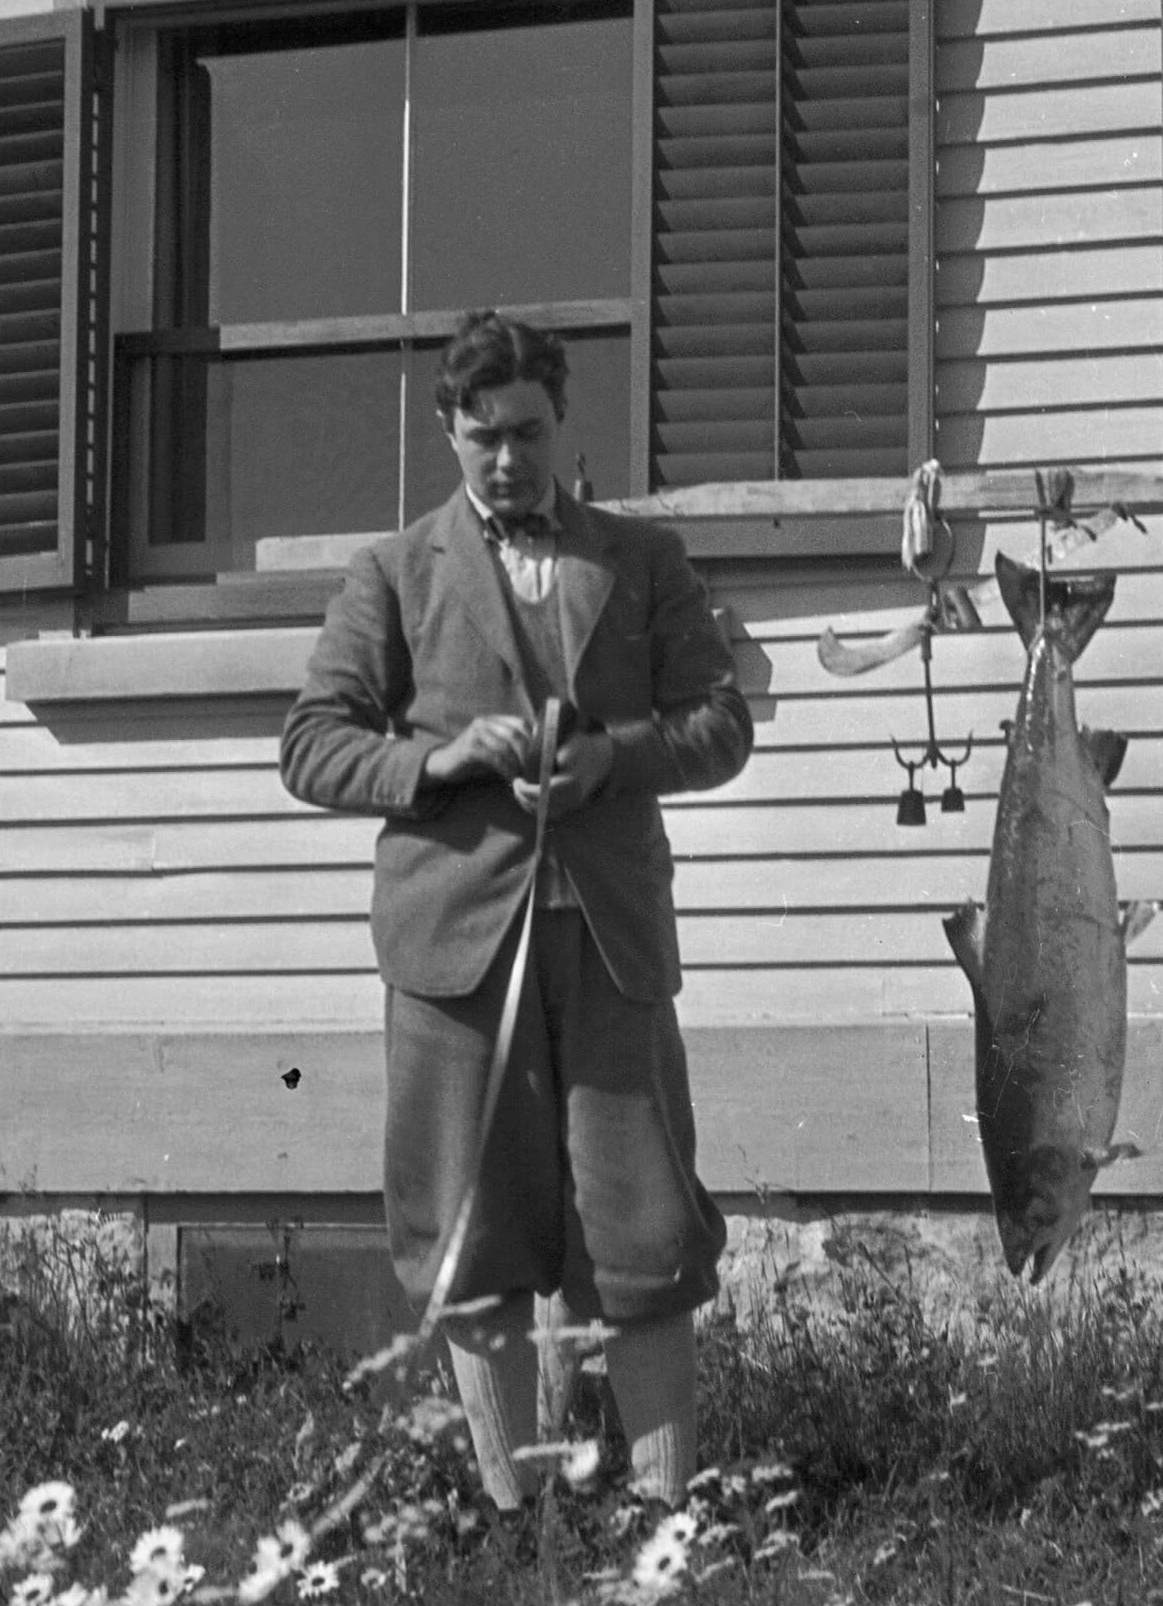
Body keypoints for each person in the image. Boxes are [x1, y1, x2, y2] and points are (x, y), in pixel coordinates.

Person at [279, 311, 751, 1509]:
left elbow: (722, 724)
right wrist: (434, 766)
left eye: (528, 432)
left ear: (562, 418)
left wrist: (614, 757)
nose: (507, 460)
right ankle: (511, 1518)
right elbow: (311, 745)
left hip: (608, 939)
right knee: (470, 1232)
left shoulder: (641, 561)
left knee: (644, 1232)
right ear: (448, 430)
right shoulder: (391, 572)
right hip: (455, 954)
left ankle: (667, 1520)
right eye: (483, 436)